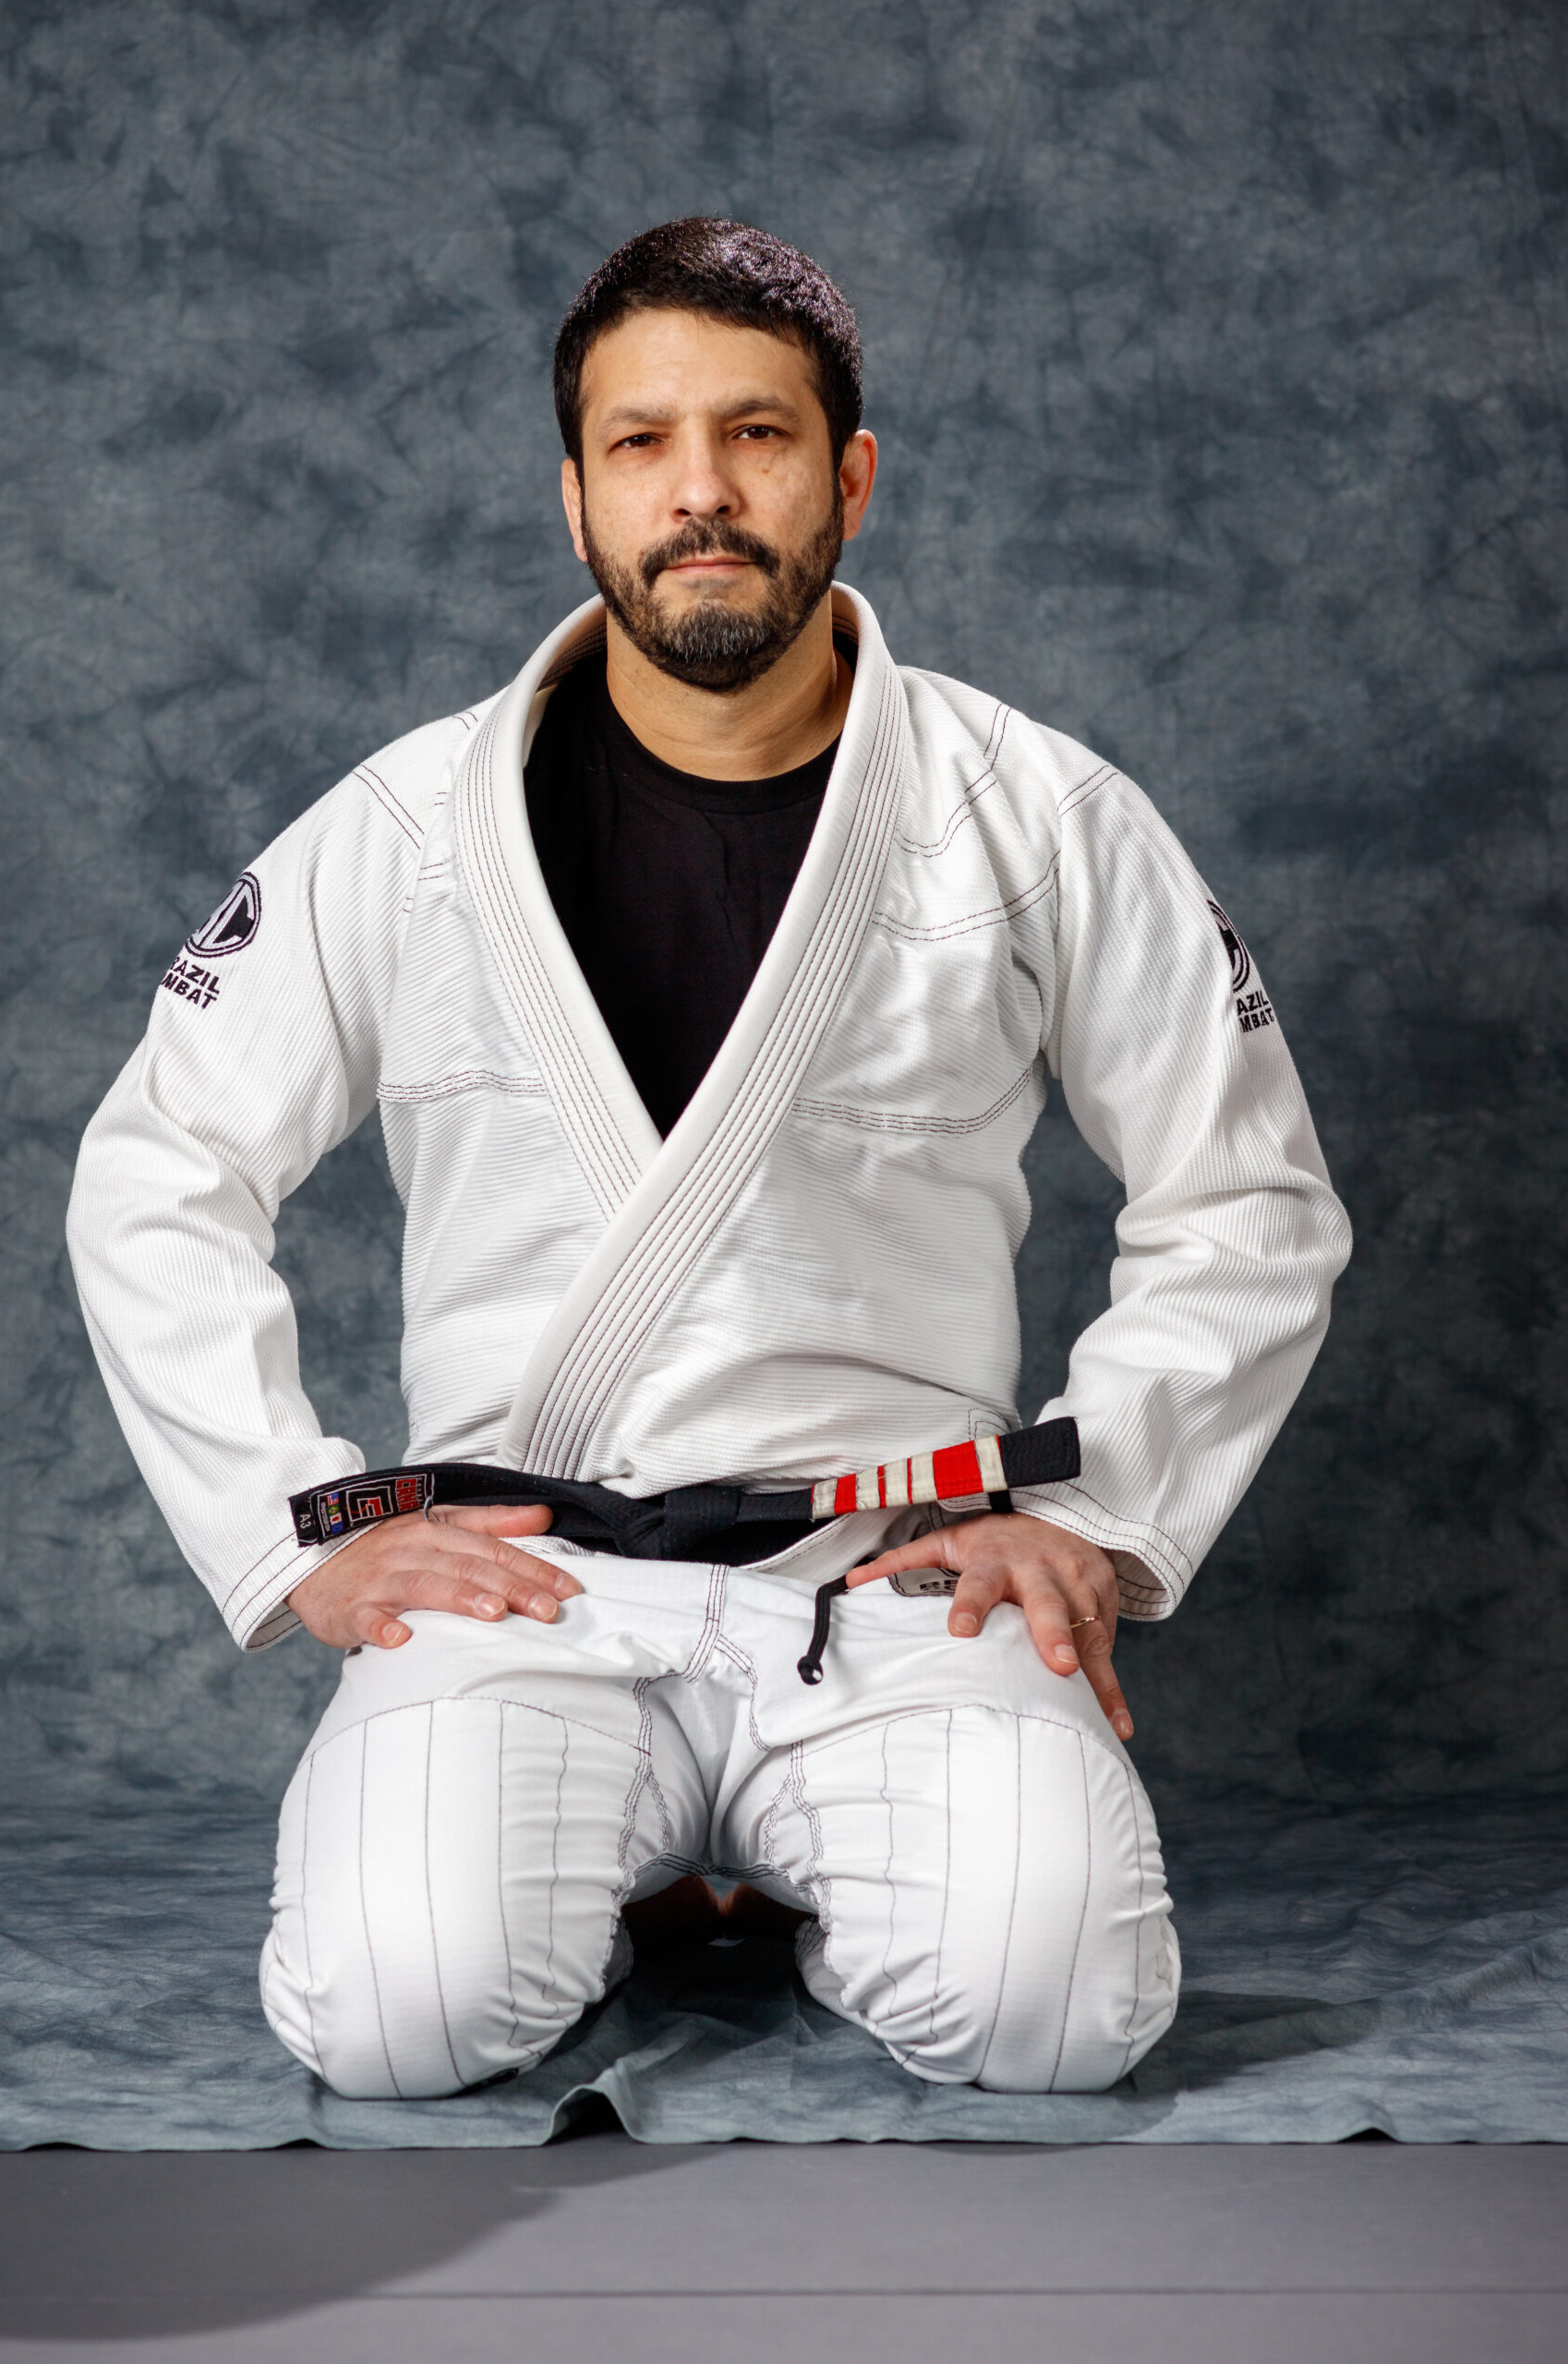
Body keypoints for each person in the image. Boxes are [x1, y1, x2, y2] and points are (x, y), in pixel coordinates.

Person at [67, 219, 1350, 2099]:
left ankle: (766, 1864)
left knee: (1054, 2016)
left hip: (896, 1572)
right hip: (532, 1585)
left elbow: (1248, 1197)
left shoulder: (1038, 816)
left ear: (852, 476)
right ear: (574, 497)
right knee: (396, 2018)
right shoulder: (406, 830)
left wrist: (1099, 1515)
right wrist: (302, 1530)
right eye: (642, 443)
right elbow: (159, 1168)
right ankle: (639, 1864)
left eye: (757, 434)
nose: (702, 492)